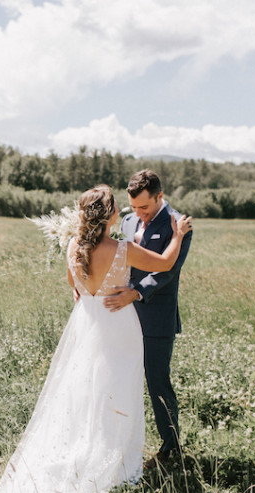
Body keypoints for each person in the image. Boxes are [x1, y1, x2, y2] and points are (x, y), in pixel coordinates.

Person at [0, 185, 192, 493]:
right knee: (118, 391)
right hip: (119, 327)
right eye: (118, 207)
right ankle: (116, 460)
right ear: (111, 215)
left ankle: (92, 447)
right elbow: (164, 264)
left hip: (88, 323)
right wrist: (177, 235)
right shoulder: (120, 249)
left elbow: (76, 288)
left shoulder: (73, 248)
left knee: (87, 390)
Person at [103, 169, 193, 469]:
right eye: (134, 207)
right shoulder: (128, 221)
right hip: (122, 315)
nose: (138, 214)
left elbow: (168, 270)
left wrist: (136, 293)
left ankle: (171, 448)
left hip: (156, 317)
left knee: (157, 381)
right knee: (122, 378)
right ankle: (124, 442)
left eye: (145, 207)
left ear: (160, 197)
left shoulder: (178, 224)